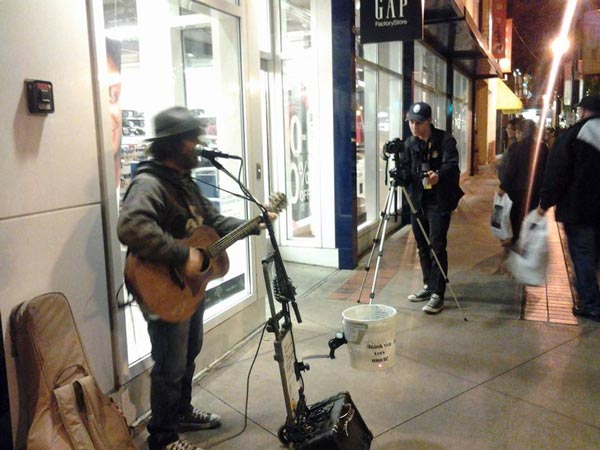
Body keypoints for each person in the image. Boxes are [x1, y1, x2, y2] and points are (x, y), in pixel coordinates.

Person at [117, 106, 276, 450]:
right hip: (162, 287)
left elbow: (213, 224)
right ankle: (162, 436)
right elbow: (131, 227)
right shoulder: (150, 183)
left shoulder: (184, 183)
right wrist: (181, 255)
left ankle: (181, 412)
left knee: (189, 353)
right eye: (192, 139)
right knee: (170, 365)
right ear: (175, 144)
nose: (198, 144)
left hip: (188, 288)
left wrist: (252, 225)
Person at [537, 95, 600, 322]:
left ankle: (591, 304)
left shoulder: (572, 136)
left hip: (579, 209)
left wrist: (545, 203)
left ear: (584, 111)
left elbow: (557, 172)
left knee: (582, 255)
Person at [402, 102, 464, 314]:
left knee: (436, 245)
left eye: (418, 122)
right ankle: (428, 285)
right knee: (422, 244)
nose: (414, 126)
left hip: (438, 200)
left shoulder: (445, 140)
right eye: (411, 122)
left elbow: (452, 164)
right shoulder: (410, 144)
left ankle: (439, 293)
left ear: (429, 121)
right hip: (418, 200)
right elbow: (406, 170)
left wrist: (439, 175)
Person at [498, 119, 549, 246]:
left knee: (516, 214)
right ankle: (528, 240)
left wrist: (503, 186)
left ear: (520, 132)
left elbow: (511, 169)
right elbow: (546, 168)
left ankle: (517, 238)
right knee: (531, 213)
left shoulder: (515, 147)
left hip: (517, 188)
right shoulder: (542, 147)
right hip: (535, 188)